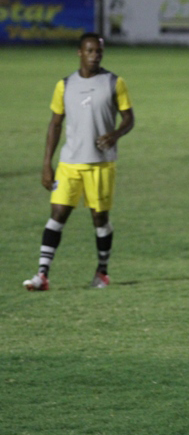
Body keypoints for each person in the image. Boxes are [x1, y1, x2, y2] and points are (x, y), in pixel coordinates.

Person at [23, 32, 135, 291]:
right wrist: (46, 164)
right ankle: (42, 274)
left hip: (101, 164)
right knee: (58, 214)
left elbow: (129, 118)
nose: (95, 56)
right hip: (69, 163)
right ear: (80, 52)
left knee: (99, 218)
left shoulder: (114, 83)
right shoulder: (65, 85)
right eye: (91, 51)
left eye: (99, 51)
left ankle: (102, 272)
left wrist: (115, 134)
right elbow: (55, 124)